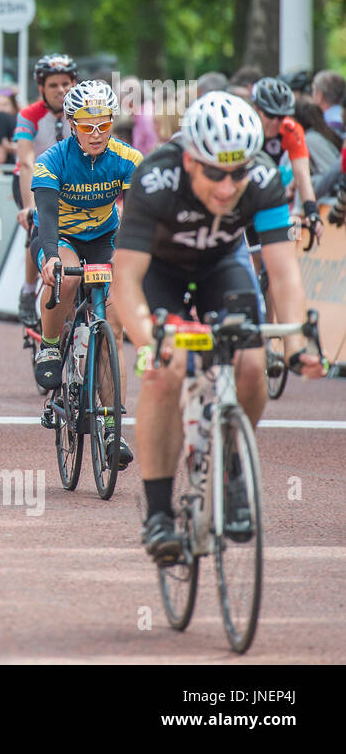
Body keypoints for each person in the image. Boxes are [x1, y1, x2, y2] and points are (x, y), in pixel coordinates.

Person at [112, 92, 326, 564]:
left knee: (252, 365)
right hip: (159, 273)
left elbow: (285, 274)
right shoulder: (154, 177)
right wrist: (151, 342)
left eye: (238, 173)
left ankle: (230, 463)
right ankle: (160, 514)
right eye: (214, 173)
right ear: (189, 159)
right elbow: (124, 281)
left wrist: (293, 344)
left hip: (221, 267)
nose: (228, 187)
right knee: (165, 373)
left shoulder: (264, 180)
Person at [29, 81, 142, 465]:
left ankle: (112, 427)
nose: (96, 134)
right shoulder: (52, 160)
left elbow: (138, 218)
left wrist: (127, 261)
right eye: (87, 125)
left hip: (105, 237)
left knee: (114, 320)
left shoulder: (128, 158)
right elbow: (44, 218)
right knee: (69, 275)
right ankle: (48, 345)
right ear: (71, 123)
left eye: (104, 124)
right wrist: (49, 257)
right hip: (59, 237)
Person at [14, 53, 79, 326]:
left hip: (69, 182)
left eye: (66, 83)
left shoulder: (80, 111)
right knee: (37, 228)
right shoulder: (30, 114)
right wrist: (30, 206)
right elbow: (27, 160)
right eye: (54, 85)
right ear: (41, 88)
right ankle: (29, 292)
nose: (61, 90)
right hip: (32, 180)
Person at [249, 76, 323, 247]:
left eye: (281, 116)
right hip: (246, 196)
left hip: (274, 197)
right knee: (253, 253)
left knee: (284, 244)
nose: (276, 122)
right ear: (256, 109)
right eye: (270, 115)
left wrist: (312, 212)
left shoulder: (291, 129)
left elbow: (302, 176)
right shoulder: (245, 128)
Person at [311, 69, 344, 134]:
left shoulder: (326, 124)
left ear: (320, 96)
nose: (311, 95)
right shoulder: (341, 118)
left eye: (313, 90)